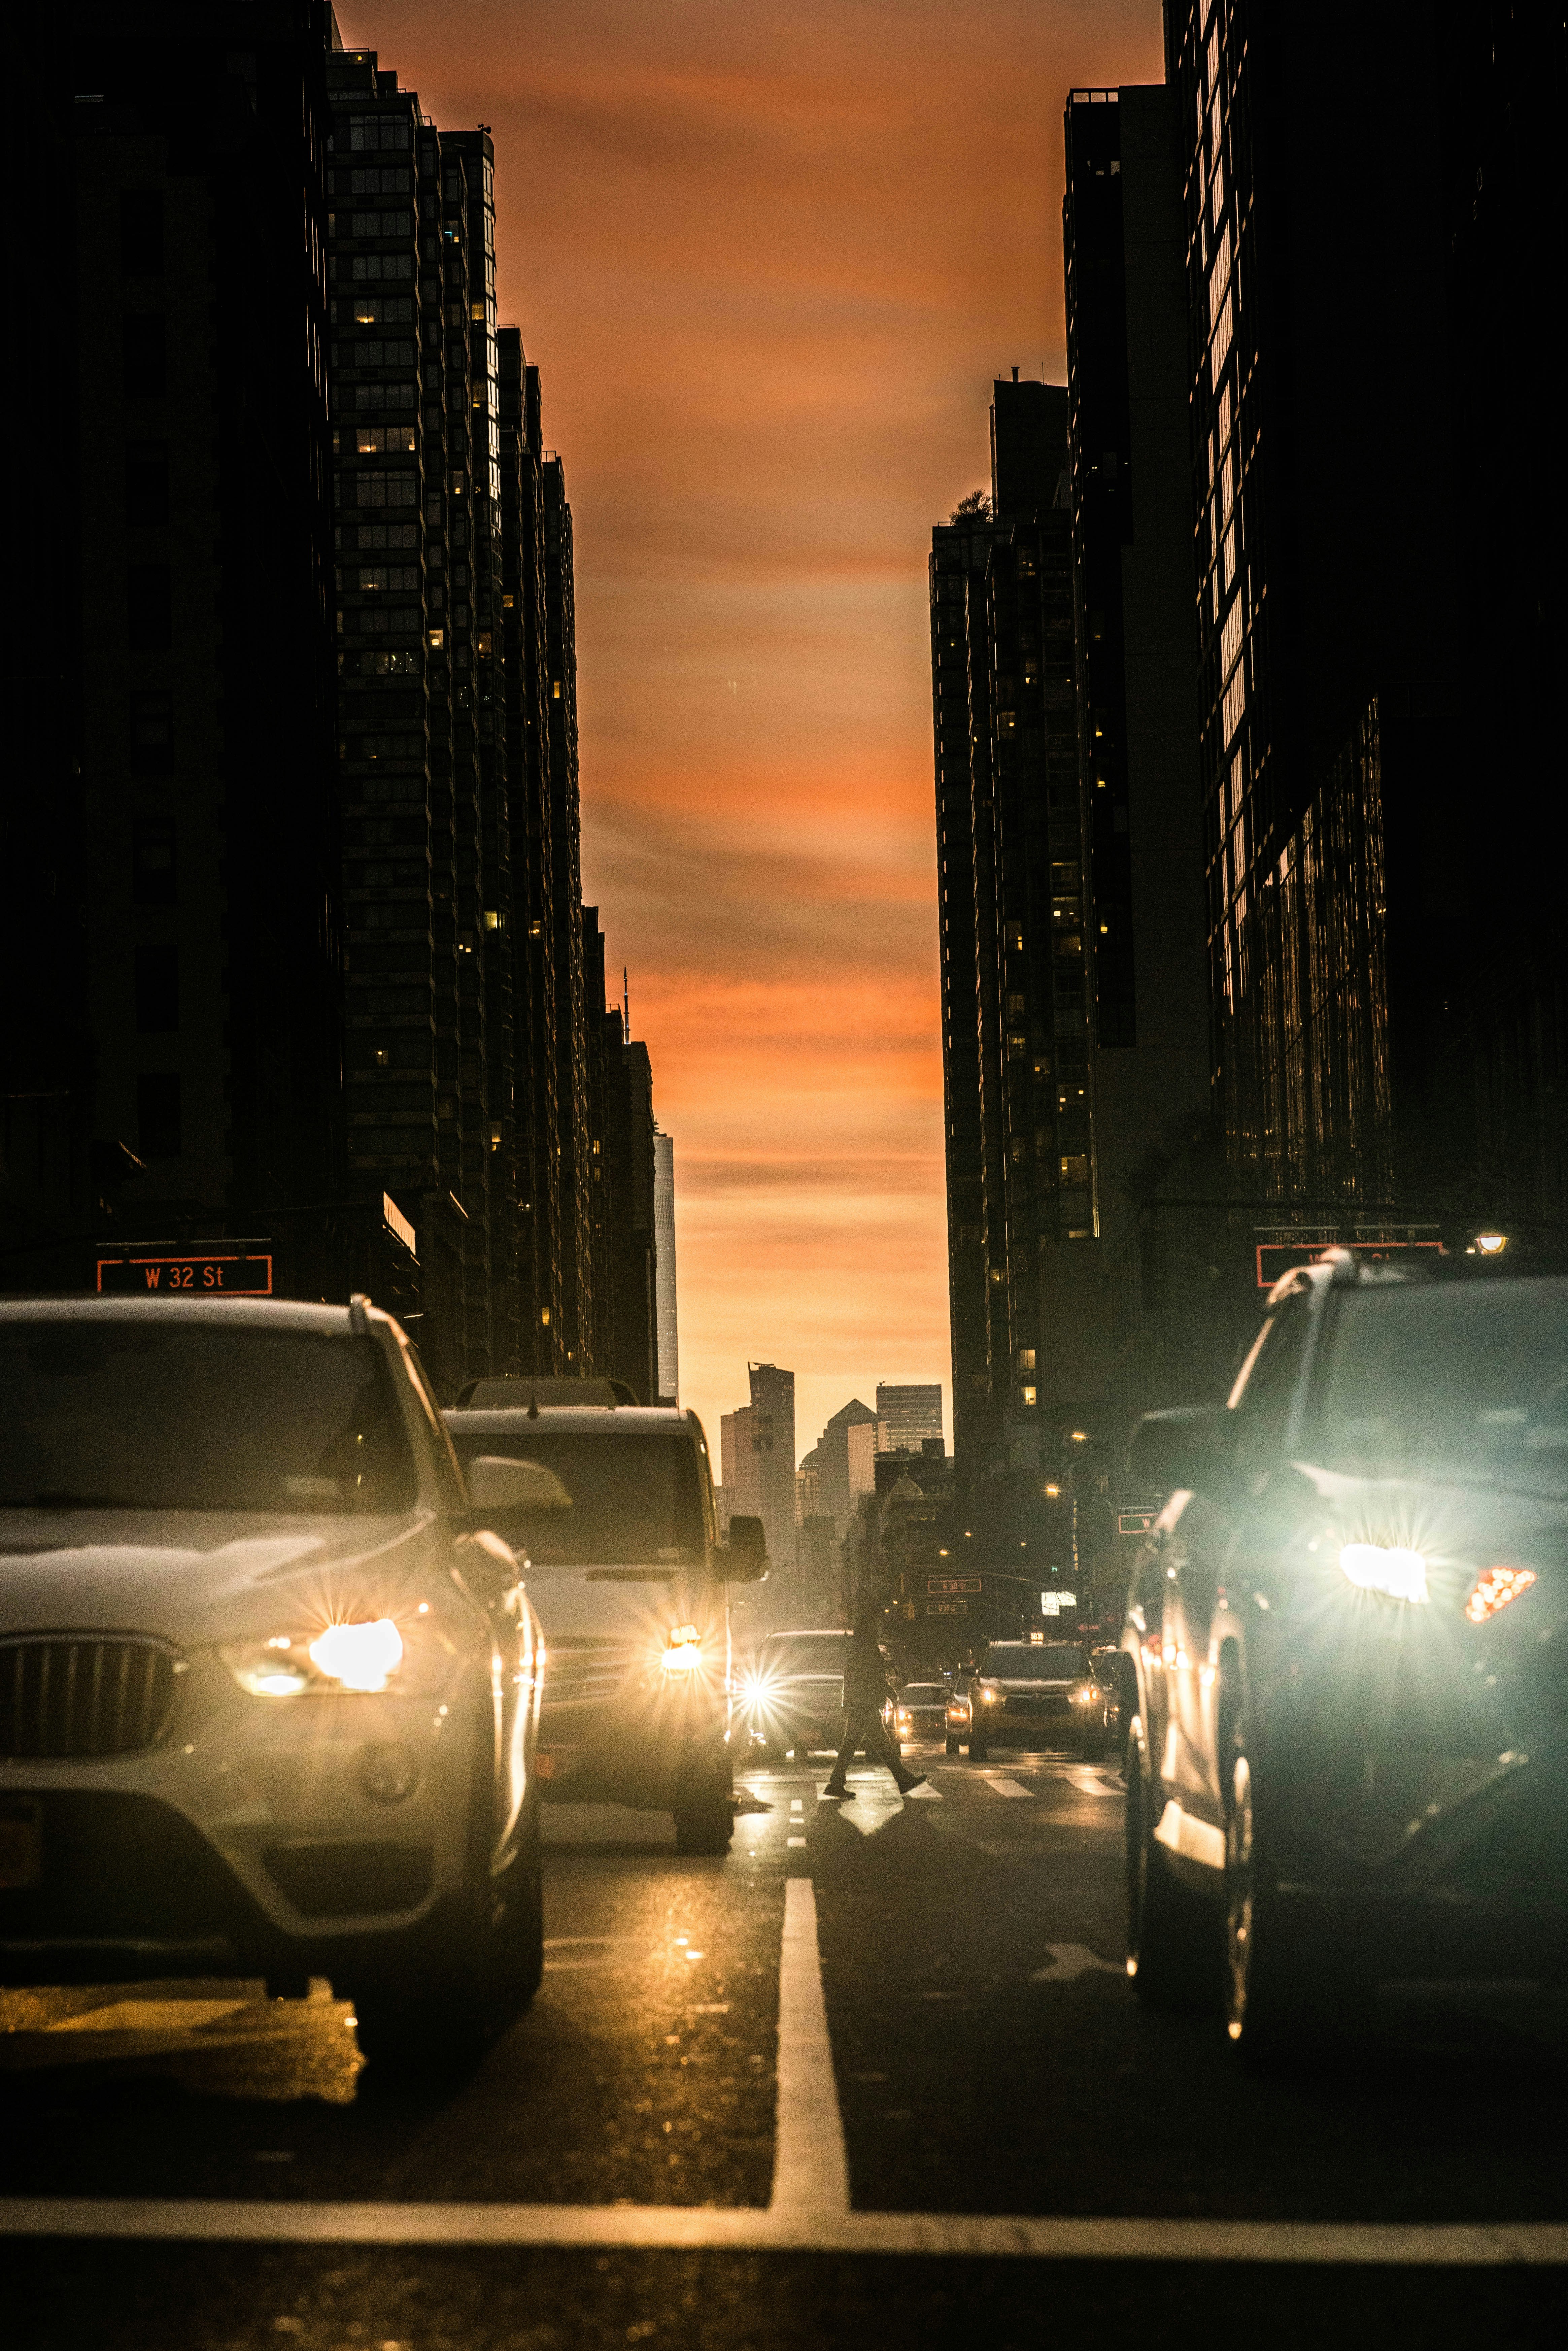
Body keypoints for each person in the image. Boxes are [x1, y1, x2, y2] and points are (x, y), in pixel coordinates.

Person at [821, 1603, 926, 1800]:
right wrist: (889, 1691)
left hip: (860, 1702)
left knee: (853, 1744)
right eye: (876, 1624)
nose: (878, 1627)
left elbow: (862, 1676)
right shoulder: (865, 1647)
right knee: (880, 1744)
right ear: (869, 1626)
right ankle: (902, 1779)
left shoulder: (859, 1646)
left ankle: (836, 1782)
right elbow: (872, 1676)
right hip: (865, 1702)